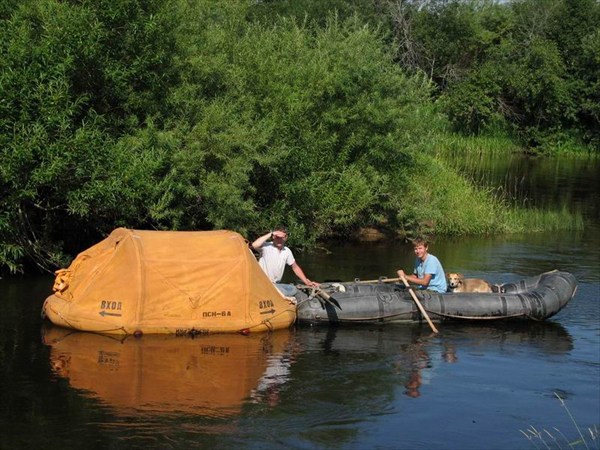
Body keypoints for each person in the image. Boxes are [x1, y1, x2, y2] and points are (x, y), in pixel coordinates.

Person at [252, 227, 319, 288]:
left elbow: (295, 267)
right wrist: (271, 233)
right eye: (277, 237)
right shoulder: (266, 246)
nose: (279, 240)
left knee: (292, 289)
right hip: (261, 283)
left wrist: (306, 282)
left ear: (285, 238)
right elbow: (254, 245)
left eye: (282, 238)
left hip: (275, 285)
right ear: (273, 237)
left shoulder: (287, 251)